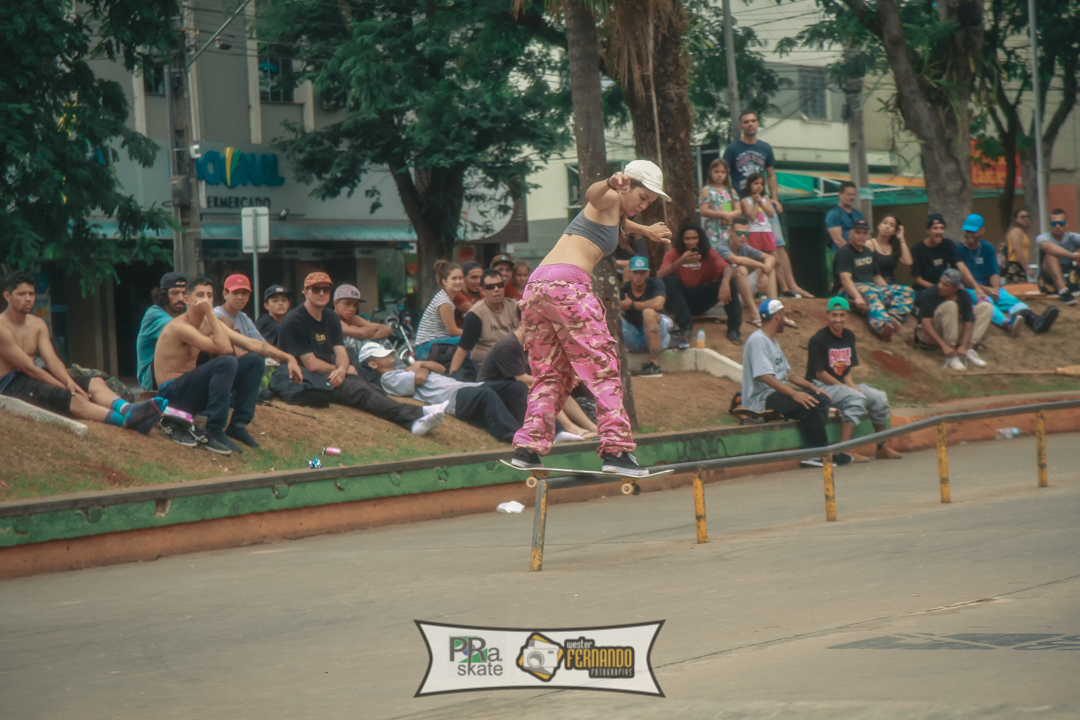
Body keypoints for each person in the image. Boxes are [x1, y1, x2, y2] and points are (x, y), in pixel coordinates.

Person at [510, 160, 672, 476]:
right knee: (602, 368)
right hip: (567, 288)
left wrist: (645, 230)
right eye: (642, 198)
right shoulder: (609, 197)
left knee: (552, 374)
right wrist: (610, 182)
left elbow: (621, 223)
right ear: (628, 185)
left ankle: (528, 447)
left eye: (649, 203)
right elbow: (593, 195)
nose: (643, 206)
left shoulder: (613, 214)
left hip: (536, 289)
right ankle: (616, 450)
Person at [277, 272, 445, 435]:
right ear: (305, 292)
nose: (321, 293)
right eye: (316, 289)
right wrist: (340, 369)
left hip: (329, 372)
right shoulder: (295, 321)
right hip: (304, 378)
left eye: (325, 289)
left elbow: (340, 351)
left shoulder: (330, 317)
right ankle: (419, 413)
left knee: (374, 389)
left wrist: (342, 369)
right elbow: (311, 364)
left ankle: (411, 423)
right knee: (360, 391)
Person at [1, 271, 164, 432]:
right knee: (75, 398)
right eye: (22, 294)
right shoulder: (2, 327)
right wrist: (65, 388)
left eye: (31, 293)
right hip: (11, 383)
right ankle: (128, 422)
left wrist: (69, 382)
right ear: (7, 296)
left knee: (95, 382)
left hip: (34, 377)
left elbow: (52, 360)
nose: (28, 298)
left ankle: (128, 409)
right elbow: (28, 367)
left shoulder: (37, 324)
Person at [154, 276, 289, 454]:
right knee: (226, 362)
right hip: (172, 394)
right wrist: (211, 314)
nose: (205, 300)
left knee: (254, 360)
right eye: (200, 295)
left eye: (209, 295)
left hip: (192, 392)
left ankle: (238, 424)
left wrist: (289, 358)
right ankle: (214, 430)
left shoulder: (208, 323)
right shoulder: (179, 327)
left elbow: (251, 343)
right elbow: (225, 349)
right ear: (187, 300)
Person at [741, 299, 849, 468]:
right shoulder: (758, 341)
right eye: (783, 314)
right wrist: (794, 394)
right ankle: (814, 455)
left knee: (820, 399)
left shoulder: (772, 341)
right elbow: (765, 376)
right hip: (761, 398)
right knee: (810, 404)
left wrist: (813, 388)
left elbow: (788, 374)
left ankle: (818, 450)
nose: (785, 318)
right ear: (777, 316)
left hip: (775, 393)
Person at [362, 342, 527, 443]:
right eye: (382, 355)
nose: (390, 354)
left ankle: (531, 430)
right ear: (373, 364)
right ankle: (516, 439)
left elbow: (441, 368)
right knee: (487, 394)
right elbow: (420, 378)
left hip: (463, 386)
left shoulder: (405, 370)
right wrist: (421, 367)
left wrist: (421, 363)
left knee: (516, 387)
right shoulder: (388, 379)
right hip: (453, 397)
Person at [806, 297, 903, 462]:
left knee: (879, 398)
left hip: (840, 384)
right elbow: (820, 374)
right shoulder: (818, 339)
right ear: (827, 315)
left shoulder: (849, 336)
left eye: (842, 315)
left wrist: (850, 385)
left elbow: (846, 369)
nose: (838, 319)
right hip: (820, 385)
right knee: (856, 398)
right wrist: (847, 388)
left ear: (848, 316)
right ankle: (844, 450)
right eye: (834, 315)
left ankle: (882, 446)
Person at [478, 324, 598, 439]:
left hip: (517, 389)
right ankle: (571, 429)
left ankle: (593, 427)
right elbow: (522, 378)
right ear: (521, 325)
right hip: (496, 393)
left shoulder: (532, 345)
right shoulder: (509, 345)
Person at [957, 214, 1058, 336]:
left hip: (989, 287)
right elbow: (964, 279)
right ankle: (1007, 324)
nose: (969, 234)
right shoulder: (958, 249)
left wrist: (995, 289)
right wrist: (985, 289)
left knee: (1009, 300)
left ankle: (1035, 320)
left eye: (973, 231)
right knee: (985, 302)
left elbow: (994, 272)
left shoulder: (988, 247)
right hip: (971, 289)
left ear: (982, 231)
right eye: (967, 231)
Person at [658, 224, 741, 345]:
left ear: (700, 239)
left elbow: (727, 268)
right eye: (687, 239)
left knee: (730, 281)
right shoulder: (672, 254)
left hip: (702, 299)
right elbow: (659, 276)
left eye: (694, 238)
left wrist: (725, 282)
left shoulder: (709, 253)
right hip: (680, 301)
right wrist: (680, 262)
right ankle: (686, 327)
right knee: (669, 279)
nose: (691, 242)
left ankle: (734, 330)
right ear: (681, 240)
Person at [834, 219, 915, 341]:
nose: (861, 236)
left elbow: (876, 277)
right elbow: (845, 279)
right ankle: (883, 327)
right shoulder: (845, 253)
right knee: (871, 292)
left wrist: (887, 291)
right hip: (850, 290)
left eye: (864, 233)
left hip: (871, 288)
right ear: (850, 234)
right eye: (858, 232)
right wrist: (857, 297)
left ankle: (894, 318)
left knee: (906, 290)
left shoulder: (867, 251)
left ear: (868, 235)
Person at [913, 269, 993, 371]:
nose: (940, 286)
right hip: (929, 334)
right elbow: (925, 324)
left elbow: (968, 323)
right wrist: (944, 346)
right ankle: (951, 353)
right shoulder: (930, 293)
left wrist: (963, 346)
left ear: (955, 288)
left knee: (986, 307)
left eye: (945, 285)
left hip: (952, 331)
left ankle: (968, 350)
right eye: (940, 282)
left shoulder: (963, 295)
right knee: (950, 305)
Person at [449, 268, 520, 375]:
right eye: (491, 287)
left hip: (515, 362)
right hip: (487, 367)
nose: (496, 289)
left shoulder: (516, 307)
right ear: (482, 291)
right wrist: (452, 377)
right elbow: (462, 349)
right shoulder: (475, 315)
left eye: (500, 285)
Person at [716, 216, 782, 325]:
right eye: (739, 233)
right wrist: (763, 266)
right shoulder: (721, 246)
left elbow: (770, 258)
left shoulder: (744, 247)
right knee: (741, 269)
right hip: (720, 297)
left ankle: (775, 312)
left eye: (746, 234)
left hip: (739, 296)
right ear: (730, 232)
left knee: (770, 270)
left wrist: (765, 272)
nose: (743, 237)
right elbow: (736, 259)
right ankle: (754, 314)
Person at [911, 214, 983, 300]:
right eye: (935, 228)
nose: (939, 231)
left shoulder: (948, 244)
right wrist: (939, 289)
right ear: (928, 231)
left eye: (942, 228)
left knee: (973, 297)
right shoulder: (917, 249)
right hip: (925, 289)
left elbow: (962, 267)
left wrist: (976, 287)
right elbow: (917, 280)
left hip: (946, 286)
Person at [136, 272, 189, 391]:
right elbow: (180, 330)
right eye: (174, 293)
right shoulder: (154, 314)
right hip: (151, 379)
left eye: (184, 293)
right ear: (164, 295)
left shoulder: (184, 314)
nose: (180, 298)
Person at [619, 256, 670, 377]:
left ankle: (654, 364)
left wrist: (631, 305)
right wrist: (622, 305)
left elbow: (658, 304)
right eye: (635, 272)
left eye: (642, 273)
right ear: (629, 273)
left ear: (647, 273)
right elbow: (612, 306)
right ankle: (612, 362)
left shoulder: (655, 283)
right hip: (634, 340)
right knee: (612, 318)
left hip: (658, 340)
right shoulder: (624, 289)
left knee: (648, 313)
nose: (638, 276)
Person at [723, 110, 780, 202]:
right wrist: (730, 195)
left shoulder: (766, 148)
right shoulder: (732, 149)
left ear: (758, 123)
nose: (750, 124)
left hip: (761, 200)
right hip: (740, 201)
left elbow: (771, 176)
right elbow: (723, 175)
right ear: (741, 126)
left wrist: (775, 199)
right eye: (746, 122)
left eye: (753, 121)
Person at [414, 260, 465, 360]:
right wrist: (476, 335)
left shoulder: (446, 298)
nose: (458, 281)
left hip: (434, 345)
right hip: (426, 348)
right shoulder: (444, 301)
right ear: (444, 281)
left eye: (461, 278)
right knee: (469, 340)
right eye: (454, 278)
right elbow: (453, 331)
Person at [214, 274, 266, 357]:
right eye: (235, 292)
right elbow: (233, 352)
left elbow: (261, 344)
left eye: (244, 293)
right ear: (225, 294)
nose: (240, 297)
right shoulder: (215, 314)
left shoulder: (244, 318)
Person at [1036, 209, 1080, 305]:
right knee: (1051, 254)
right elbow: (1048, 247)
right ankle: (1063, 290)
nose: (1057, 226)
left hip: (1069, 275)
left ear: (1066, 224)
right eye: (1054, 223)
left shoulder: (1072, 237)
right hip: (1049, 278)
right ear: (1049, 225)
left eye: (1061, 223)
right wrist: (1072, 255)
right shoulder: (1043, 238)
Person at [333, 284, 392, 354]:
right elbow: (361, 333)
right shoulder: (331, 319)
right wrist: (365, 332)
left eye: (355, 305)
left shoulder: (354, 319)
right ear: (335, 303)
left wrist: (365, 335)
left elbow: (388, 329)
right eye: (347, 304)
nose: (352, 309)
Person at [698, 158, 740, 247]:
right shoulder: (706, 190)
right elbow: (703, 211)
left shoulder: (731, 191)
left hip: (728, 228)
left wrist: (731, 215)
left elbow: (738, 210)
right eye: (716, 172)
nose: (720, 175)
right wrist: (723, 214)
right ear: (710, 172)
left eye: (723, 172)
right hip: (713, 229)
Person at [866, 215, 912, 285]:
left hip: (892, 283)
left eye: (892, 225)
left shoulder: (893, 246)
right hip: (874, 283)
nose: (887, 226)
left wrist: (901, 239)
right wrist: (887, 288)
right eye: (885, 223)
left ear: (895, 231)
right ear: (879, 226)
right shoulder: (869, 244)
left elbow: (908, 261)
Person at [824, 181, 864, 251]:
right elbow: (838, 240)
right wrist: (853, 253)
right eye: (849, 194)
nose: (852, 197)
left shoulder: (858, 214)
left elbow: (864, 234)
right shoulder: (834, 214)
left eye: (854, 195)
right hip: (843, 254)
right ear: (840, 194)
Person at [1002, 207, 1032, 284]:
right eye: (1022, 217)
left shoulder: (1022, 232)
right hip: (1015, 266)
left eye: (1027, 216)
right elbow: (1018, 251)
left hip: (1020, 266)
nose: (1026, 219)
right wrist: (1027, 268)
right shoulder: (1017, 231)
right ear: (1016, 219)